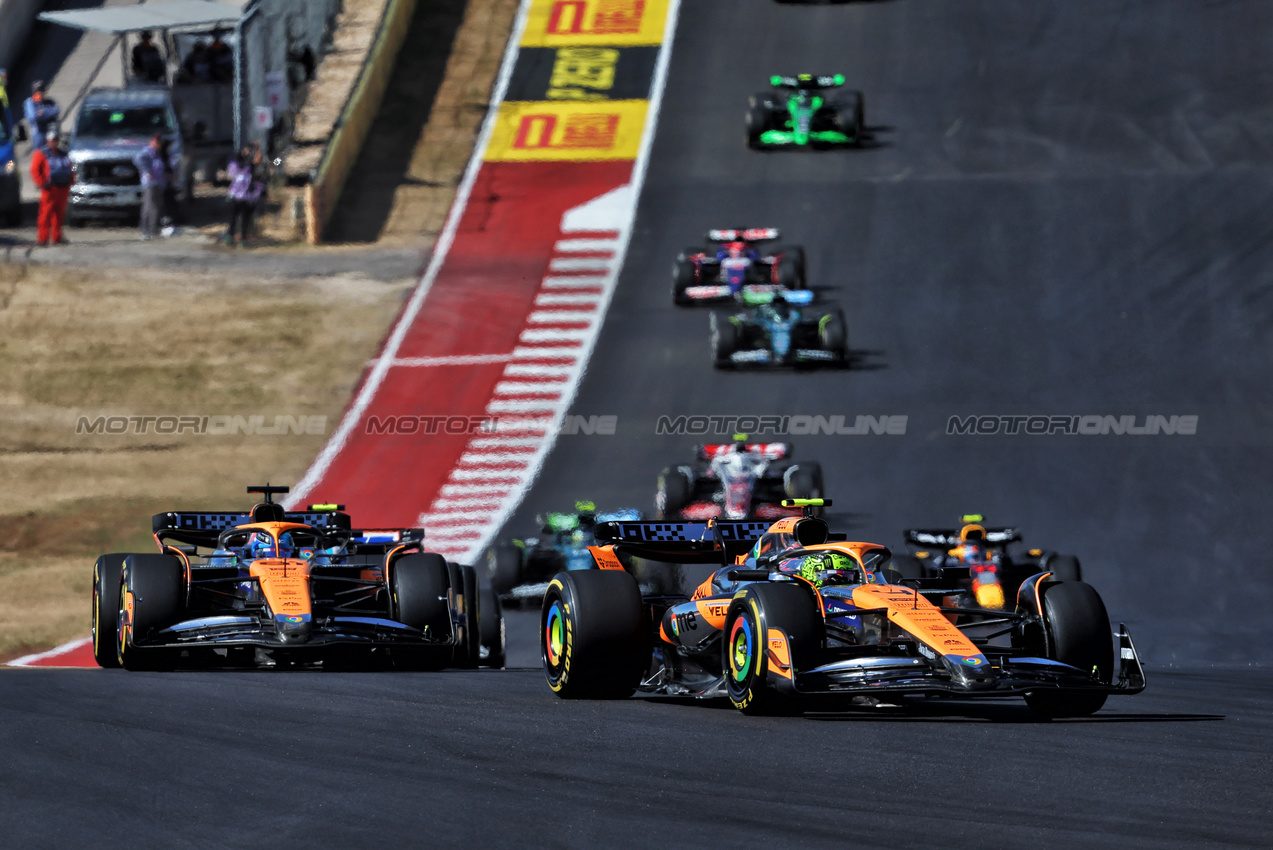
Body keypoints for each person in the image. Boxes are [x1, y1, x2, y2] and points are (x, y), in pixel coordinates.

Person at [30, 128, 73, 245]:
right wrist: (41, 182)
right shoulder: (41, 153)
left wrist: (72, 180)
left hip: (63, 188)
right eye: (52, 140)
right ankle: (42, 239)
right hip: (49, 189)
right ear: (47, 141)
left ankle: (57, 237)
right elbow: (34, 170)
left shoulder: (64, 153)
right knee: (45, 214)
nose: (54, 142)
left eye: (56, 139)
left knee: (59, 214)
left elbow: (71, 167)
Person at [133, 133, 170, 240]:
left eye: (159, 142)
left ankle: (154, 229)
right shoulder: (147, 152)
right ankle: (145, 230)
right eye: (156, 141)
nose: (158, 144)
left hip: (159, 183)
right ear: (151, 141)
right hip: (150, 183)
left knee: (157, 206)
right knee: (149, 206)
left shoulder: (158, 153)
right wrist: (147, 170)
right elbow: (138, 160)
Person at [225, 145, 264, 245]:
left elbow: (259, 161)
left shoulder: (237, 167)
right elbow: (257, 160)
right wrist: (256, 149)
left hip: (241, 196)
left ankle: (238, 237)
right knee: (239, 218)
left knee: (239, 218)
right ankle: (235, 237)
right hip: (242, 197)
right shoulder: (244, 168)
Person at [23, 81, 60, 151]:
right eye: (37, 90)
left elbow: (57, 111)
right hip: (39, 133)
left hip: (50, 133)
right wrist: (48, 114)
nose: (40, 92)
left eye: (42, 90)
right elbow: (33, 117)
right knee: (39, 153)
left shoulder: (49, 101)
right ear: (34, 92)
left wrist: (44, 112)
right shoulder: (30, 102)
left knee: (52, 154)